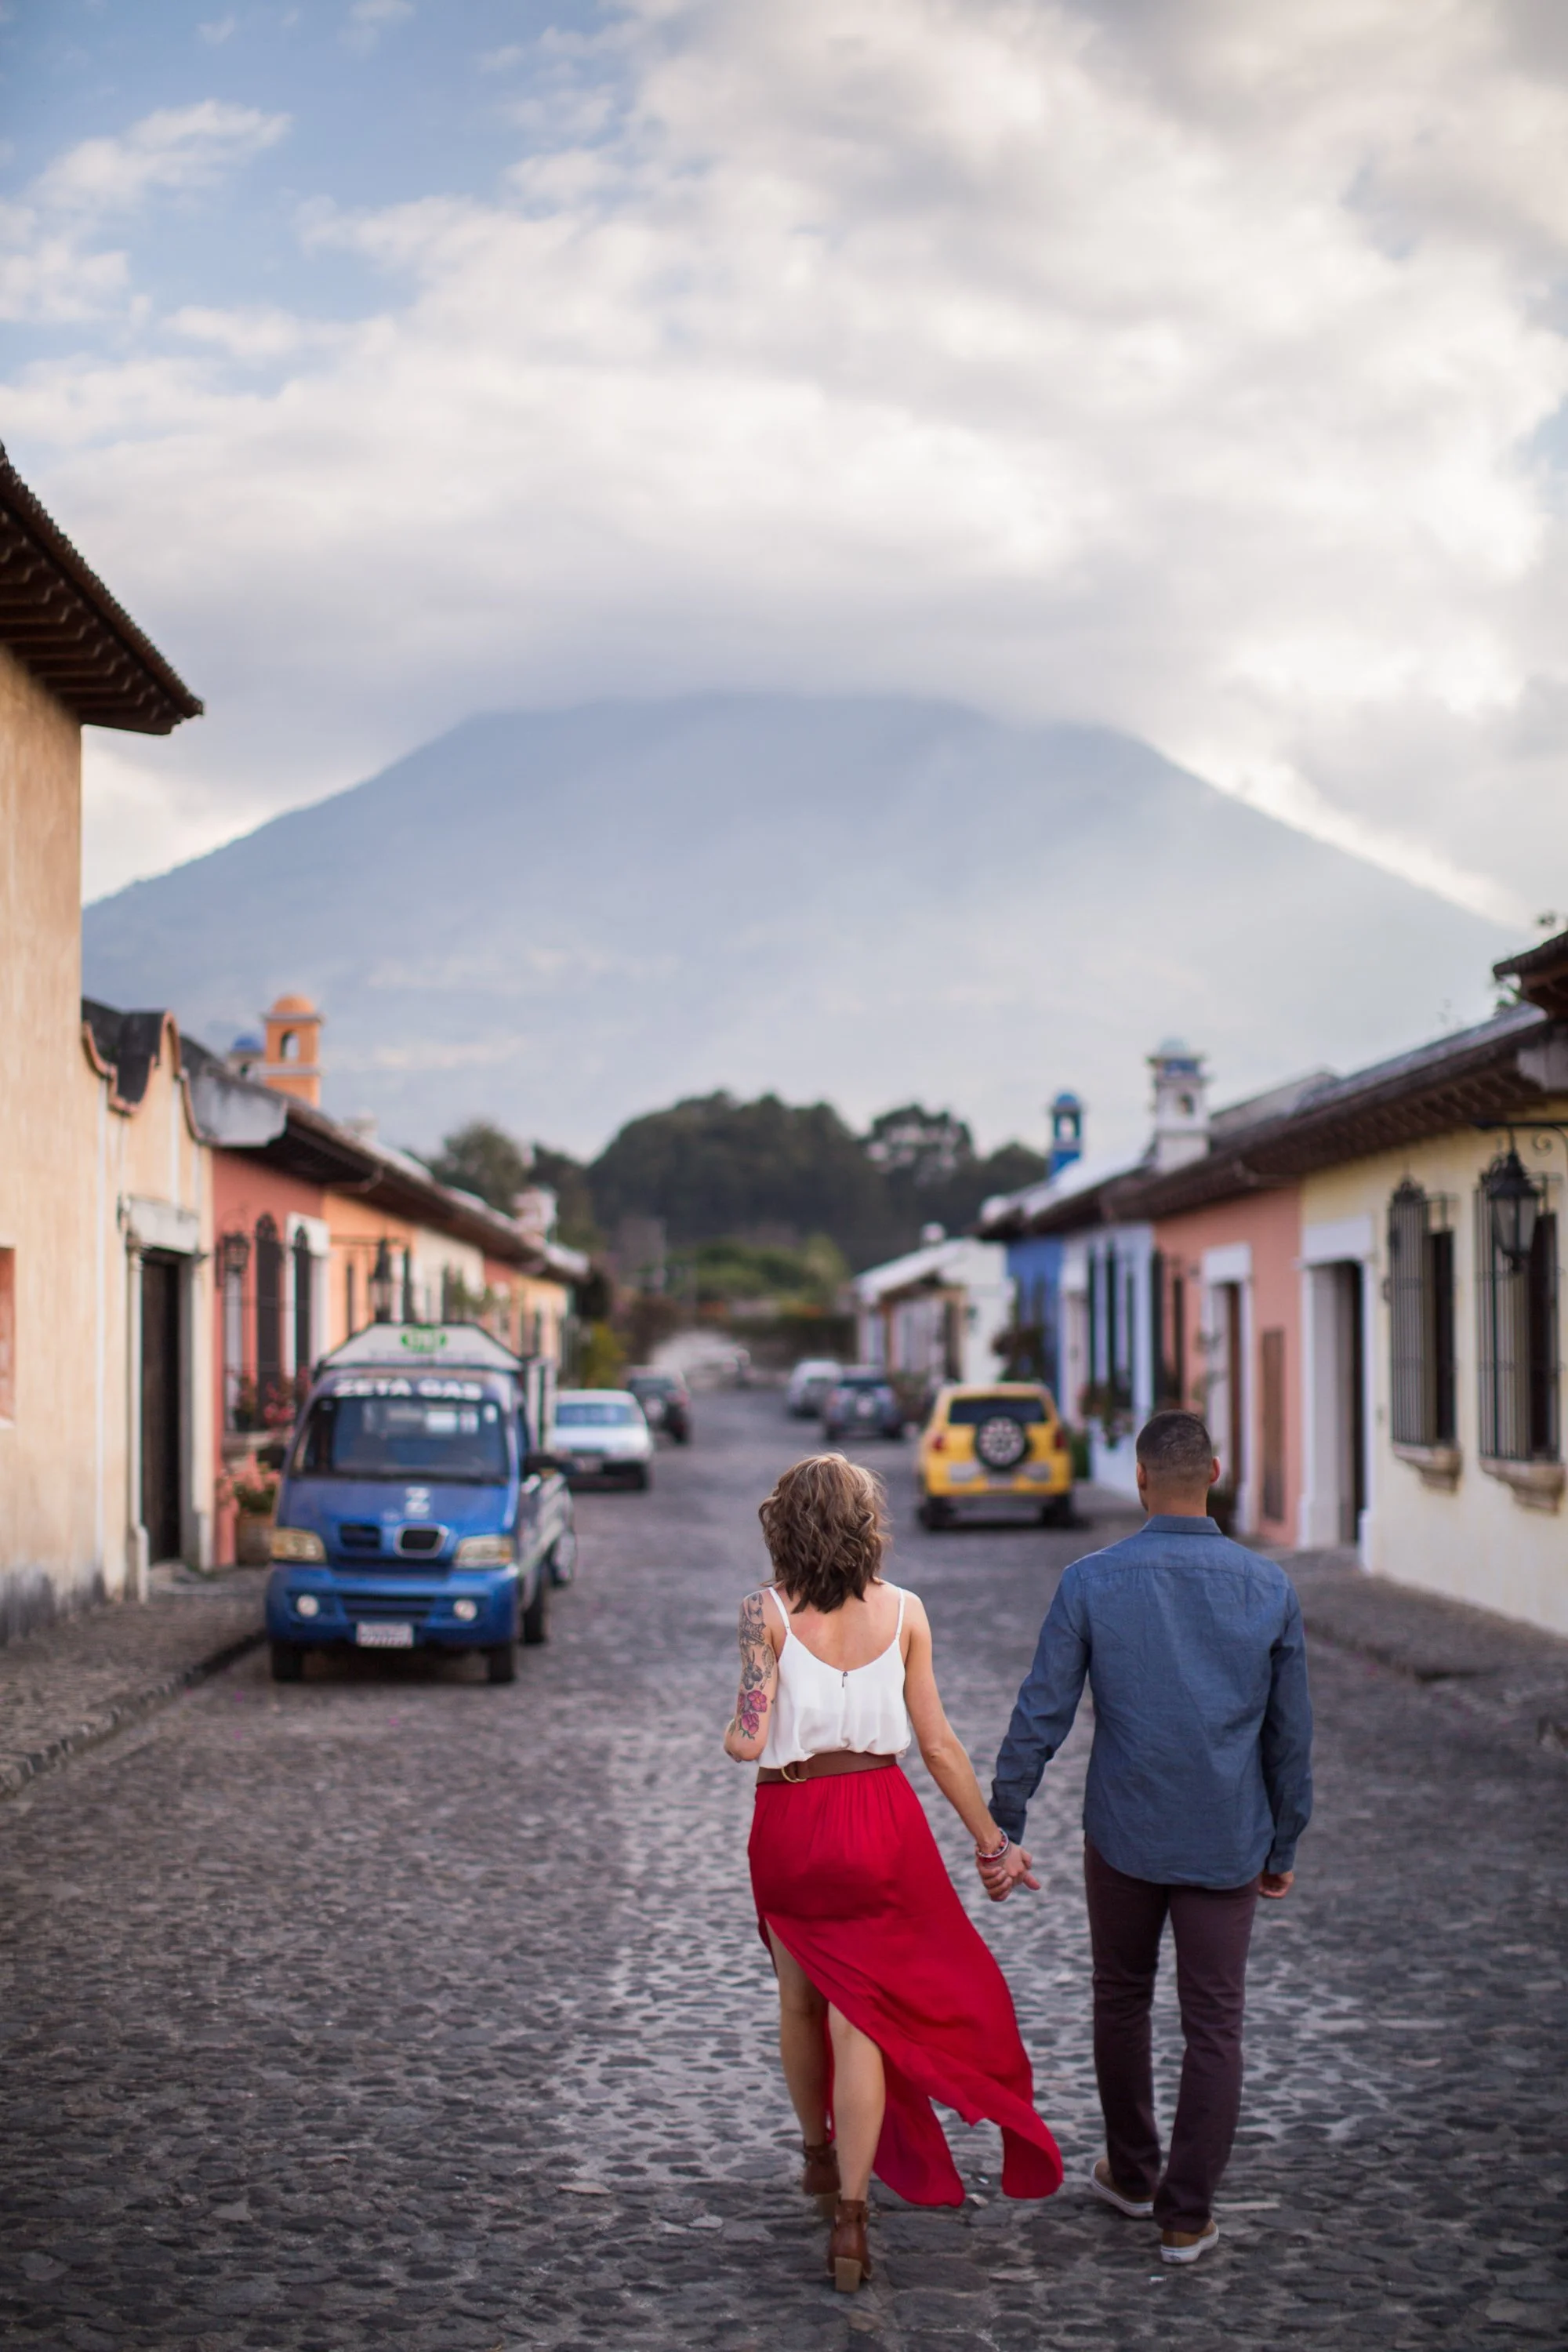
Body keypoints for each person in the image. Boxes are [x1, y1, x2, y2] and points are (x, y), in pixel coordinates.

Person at [724, 1453, 1062, 2292]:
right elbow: (938, 1744)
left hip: (793, 1825)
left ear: (782, 1527)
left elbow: (746, 1737)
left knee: (800, 2001)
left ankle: (816, 2154)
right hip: (882, 1823)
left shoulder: (763, 1612)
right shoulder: (907, 1611)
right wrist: (992, 1843)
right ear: (864, 1527)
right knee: (863, 2017)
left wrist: (745, 1719)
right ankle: (852, 2217)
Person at [983, 1408, 1312, 2267]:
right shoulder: (1268, 1587)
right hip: (1226, 1837)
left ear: (1138, 1479)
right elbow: (1289, 1737)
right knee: (1215, 2022)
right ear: (1215, 1474)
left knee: (1121, 1997)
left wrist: (1004, 1819)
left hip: (1123, 1833)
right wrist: (1283, 1844)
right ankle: (1186, 2215)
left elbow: (1042, 1709)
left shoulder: (1090, 1582)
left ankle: (1132, 2174)